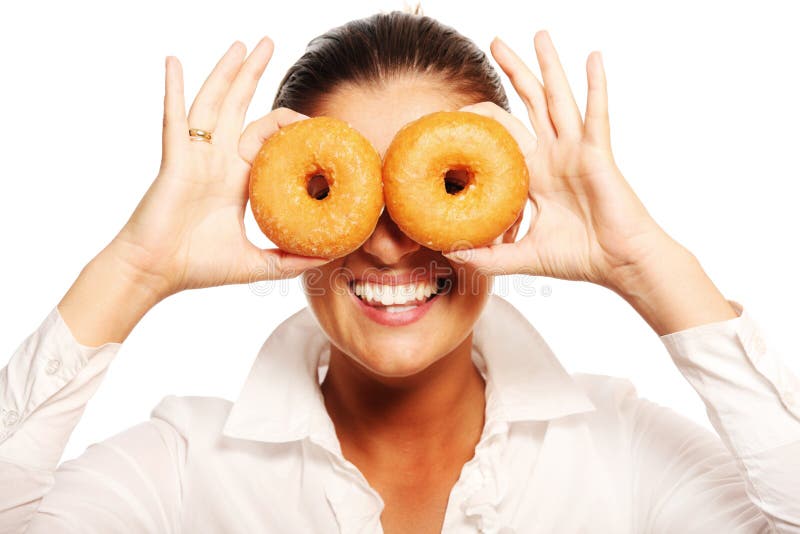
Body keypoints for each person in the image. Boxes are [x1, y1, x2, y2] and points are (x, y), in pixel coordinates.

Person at [1, 8, 798, 534]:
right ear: (280, 201)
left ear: (510, 210)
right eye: (350, 194)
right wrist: (134, 270)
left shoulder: (619, 449)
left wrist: (647, 265)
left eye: (440, 192)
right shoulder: (183, 467)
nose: (388, 245)